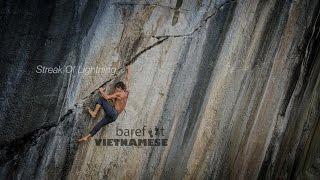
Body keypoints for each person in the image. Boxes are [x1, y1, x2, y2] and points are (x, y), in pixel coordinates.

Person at [77, 66, 130, 142]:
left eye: (116, 88)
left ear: (120, 88)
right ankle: (87, 136)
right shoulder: (127, 92)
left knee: (101, 99)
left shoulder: (119, 93)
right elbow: (128, 79)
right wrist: (128, 70)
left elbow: (106, 97)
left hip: (113, 112)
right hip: (115, 116)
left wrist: (101, 91)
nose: (115, 90)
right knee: (100, 124)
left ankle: (94, 113)